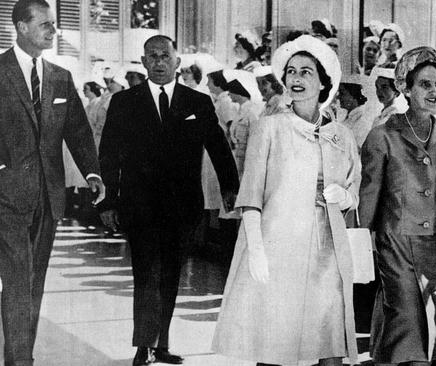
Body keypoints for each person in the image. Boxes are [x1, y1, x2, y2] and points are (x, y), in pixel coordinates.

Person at [213, 34, 360, 366]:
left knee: (329, 344)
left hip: (326, 251)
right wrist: (257, 251)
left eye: (306, 72)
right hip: (278, 247)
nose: (296, 78)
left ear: (324, 82)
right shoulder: (270, 127)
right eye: (291, 71)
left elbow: (354, 190)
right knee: (274, 345)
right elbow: (250, 196)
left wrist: (345, 196)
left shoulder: (341, 135)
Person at [98, 35, 239, 366]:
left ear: (177, 63)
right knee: (146, 273)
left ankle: (161, 342)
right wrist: (108, 201)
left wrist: (231, 186)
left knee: (171, 274)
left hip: (182, 205)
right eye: (153, 57)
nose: (159, 62)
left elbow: (218, 145)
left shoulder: (197, 102)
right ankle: (144, 344)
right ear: (144, 62)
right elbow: (108, 155)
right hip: (139, 205)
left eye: (166, 56)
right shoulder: (124, 102)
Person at [0, 1, 105, 365]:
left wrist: (92, 171)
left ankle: (21, 354)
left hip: (49, 195)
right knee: (17, 277)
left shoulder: (60, 76)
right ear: (21, 27)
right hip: (6, 196)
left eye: (54, 24)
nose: (53, 30)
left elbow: (77, 129)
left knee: (34, 279)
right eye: (45, 24)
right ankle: (20, 361)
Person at [359, 46, 436, 365]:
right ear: (405, 88)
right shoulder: (382, 136)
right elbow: (369, 195)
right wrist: (362, 241)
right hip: (396, 244)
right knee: (406, 331)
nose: (434, 91)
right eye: (425, 84)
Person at [223, 69, 264, 177]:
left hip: (247, 159)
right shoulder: (240, 111)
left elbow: (255, 138)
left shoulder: (252, 112)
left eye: (231, 91)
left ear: (238, 92)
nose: (229, 94)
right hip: (237, 157)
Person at [338, 76, 372, 150]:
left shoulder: (363, 122)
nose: (338, 97)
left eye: (342, 93)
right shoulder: (347, 119)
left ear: (353, 95)